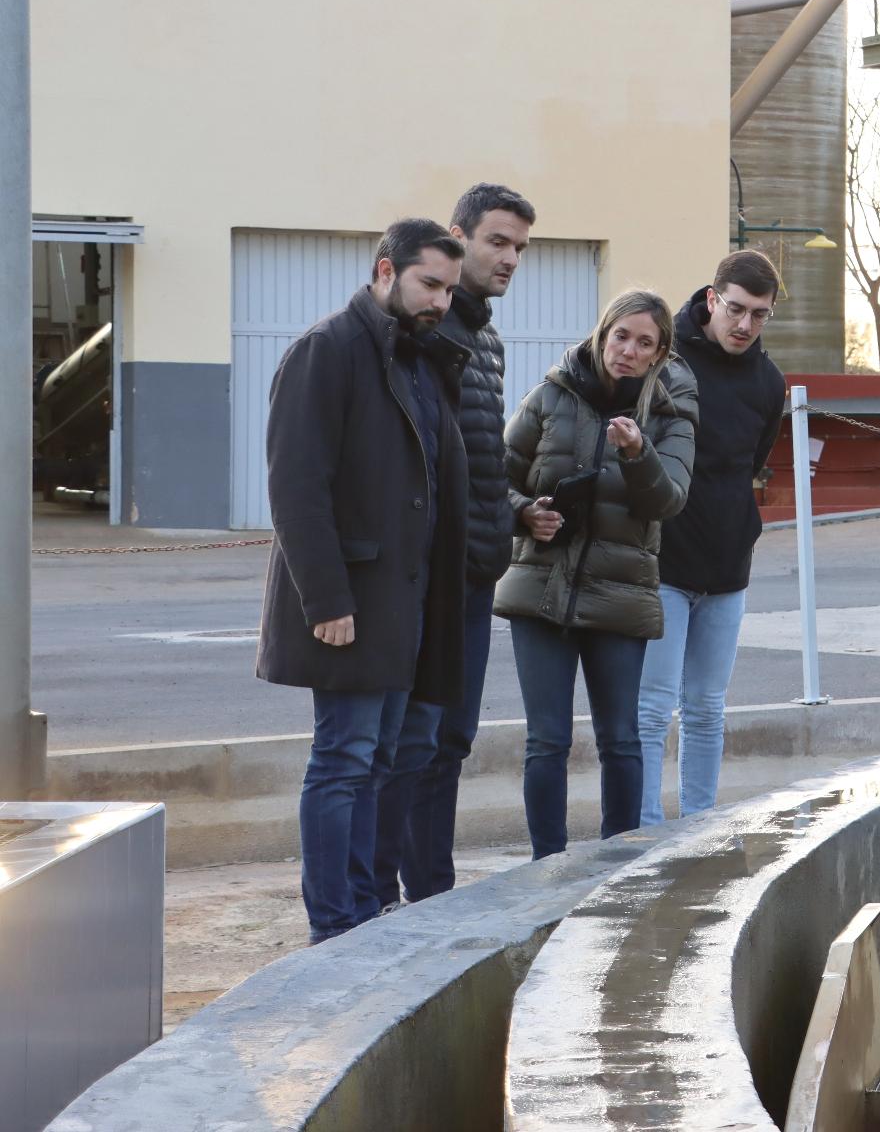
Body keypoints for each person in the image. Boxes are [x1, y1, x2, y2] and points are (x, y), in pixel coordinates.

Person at [254, 218, 469, 944]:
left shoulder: (421, 359)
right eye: (429, 283)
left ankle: (363, 909)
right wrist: (326, 600)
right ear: (386, 272)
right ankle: (334, 925)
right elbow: (295, 487)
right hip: (352, 600)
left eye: (448, 288)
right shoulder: (327, 351)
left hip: (405, 601)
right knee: (343, 760)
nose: (440, 300)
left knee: (379, 760)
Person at [373, 184, 536, 906]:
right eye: (496, 241)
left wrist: (517, 510)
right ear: (458, 235)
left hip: (475, 572)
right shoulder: (429, 335)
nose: (508, 258)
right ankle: (385, 894)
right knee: (412, 746)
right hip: (428, 575)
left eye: (519, 249)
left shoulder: (487, 338)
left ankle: (429, 895)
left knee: (450, 743)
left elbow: (480, 457)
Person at [496, 290, 697, 856]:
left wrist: (638, 454)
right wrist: (522, 512)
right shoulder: (550, 396)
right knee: (546, 741)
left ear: (659, 355)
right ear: (601, 334)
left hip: (620, 595)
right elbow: (494, 478)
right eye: (620, 336)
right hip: (540, 590)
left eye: (644, 343)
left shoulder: (667, 412)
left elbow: (669, 500)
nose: (628, 351)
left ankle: (617, 866)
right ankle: (546, 867)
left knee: (621, 740)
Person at [637, 250, 786, 825]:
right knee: (651, 708)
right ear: (711, 299)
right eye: (736, 309)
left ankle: (699, 825)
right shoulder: (665, 360)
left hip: (728, 570)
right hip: (663, 564)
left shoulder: (768, 382)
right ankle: (644, 830)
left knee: (706, 708)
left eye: (759, 315)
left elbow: (754, 463)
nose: (745, 325)